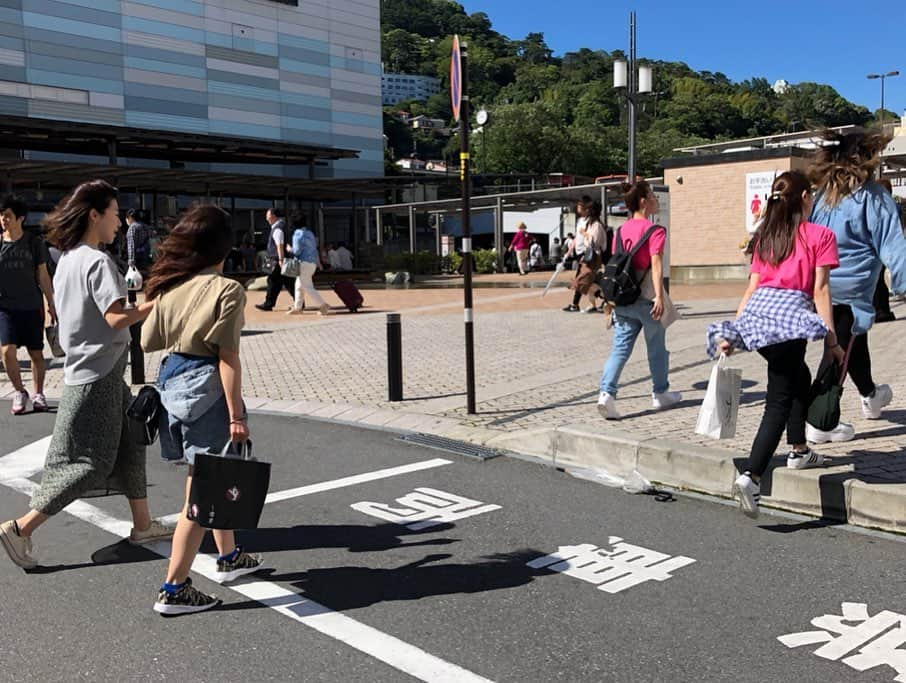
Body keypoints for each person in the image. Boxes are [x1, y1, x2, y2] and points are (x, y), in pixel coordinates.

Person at [0, 180, 174, 570]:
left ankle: (143, 525)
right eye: (114, 213)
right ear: (95, 214)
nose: (119, 223)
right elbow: (116, 318)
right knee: (88, 463)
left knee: (132, 441)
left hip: (93, 370)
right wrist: (156, 305)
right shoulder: (97, 262)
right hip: (98, 374)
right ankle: (20, 528)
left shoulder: (68, 258)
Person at [142, 205, 265, 615]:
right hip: (206, 388)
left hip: (171, 384)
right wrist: (237, 417)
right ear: (224, 247)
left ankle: (228, 557)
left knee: (209, 476)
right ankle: (173, 588)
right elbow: (228, 358)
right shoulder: (228, 289)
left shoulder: (171, 287)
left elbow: (147, 341)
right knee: (201, 492)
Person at [709, 171, 842, 518]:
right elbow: (821, 291)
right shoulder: (820, 235)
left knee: (798, 376)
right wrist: (832, 341)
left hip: (759, 321)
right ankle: (752, 475)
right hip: (789, 323)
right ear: (804, 199)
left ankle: (799, 449)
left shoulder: (767, 238)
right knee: (778, 401)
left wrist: (735, 332)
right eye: (811, 194)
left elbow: (752, 288)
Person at [807, 130, 906, 440]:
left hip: (818, 285)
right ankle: (820, 421)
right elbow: (893, 245)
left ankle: (871, 395)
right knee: (836, 351)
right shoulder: (874, 197)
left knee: (853, 343)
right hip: (851, 292)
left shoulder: (823, 196)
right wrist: (902, 283)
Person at [598, 181, 681, 418]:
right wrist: (659, 297)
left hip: (623, 298)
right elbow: (656, 266)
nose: (655, 199)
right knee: (656, 348)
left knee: (620, 349)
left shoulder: (621, 231)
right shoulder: (655, 231)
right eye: (652, 196)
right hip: (646, 298)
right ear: (644, 201)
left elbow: (618, 262)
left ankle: (606, 394)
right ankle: (661, 393)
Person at [0, 195, 56, 414]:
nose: (3, 219)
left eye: (7, 215)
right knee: (6, 352)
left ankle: (38, 393)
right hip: (6, 309)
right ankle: (19, 391)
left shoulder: (34, 243)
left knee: (36, 354)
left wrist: (51, 303)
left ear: (20, 218)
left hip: (32, 306)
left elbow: (42, 275)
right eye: (1, 215)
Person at [564, 196, 609, 313]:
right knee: (588, 281)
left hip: (592, 257)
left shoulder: (596, 225)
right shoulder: (591, 223)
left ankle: (604, 298)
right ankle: (598, 301)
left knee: (584, 280)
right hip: (588, 256)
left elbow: (593, 242)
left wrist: (584, 234)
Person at [288, 211, 330, 316]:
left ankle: (322, 305)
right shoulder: (310, 234)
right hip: (312, 264)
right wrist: (318, 262)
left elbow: (297, 251)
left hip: (303, 263)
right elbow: (315, 249)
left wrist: (289, 249)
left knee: (307, 286)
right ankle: (297, 307)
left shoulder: (297, 234)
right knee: (299, 285)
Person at [255, 208, 293, 311]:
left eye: (268, 215)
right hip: (275, 258)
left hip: (275, 259)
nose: (266, 218)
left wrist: (281, 259)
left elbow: (279, 245)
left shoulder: (277, 228)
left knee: (272, 280)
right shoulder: (278, 227)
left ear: (273, 216)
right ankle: (299, 302)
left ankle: (268, 304)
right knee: (287, 281)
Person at [872, 179, 896, 323]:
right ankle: (882, 310)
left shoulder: (879, 207)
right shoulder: (889, 206)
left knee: (877, 280)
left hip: (877, 248)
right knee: (879, 280)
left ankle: (880, 311)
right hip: (883, 248)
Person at [125, 208, 153, 272]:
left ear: (130, 218)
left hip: (137, 260)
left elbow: (131, 245)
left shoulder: (132, 228)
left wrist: (131, 262)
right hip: (147, 257)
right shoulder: (146, 226)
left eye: (126, 218)